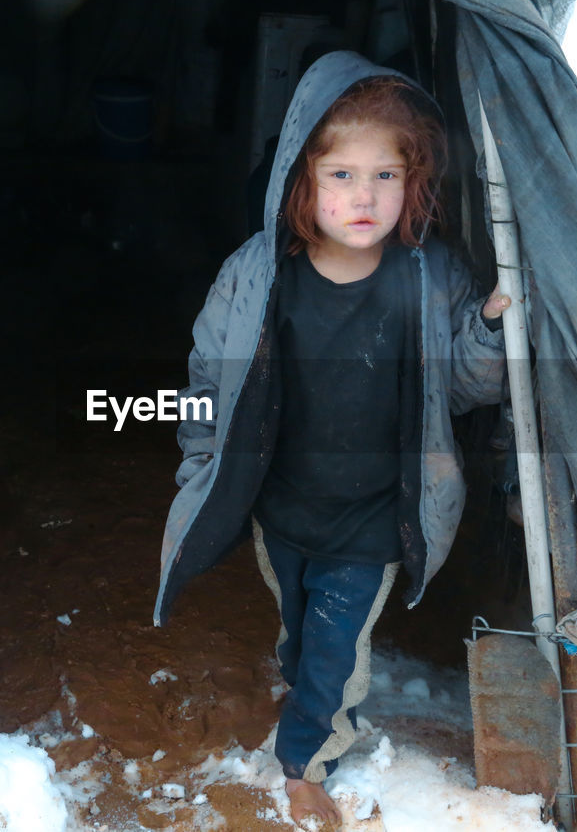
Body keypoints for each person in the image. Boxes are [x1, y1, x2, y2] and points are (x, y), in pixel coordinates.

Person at [153, 50, 510, 828]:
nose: (364, 196)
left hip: (375, 514)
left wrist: (488, 327)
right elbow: (209, 375)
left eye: (386, 175)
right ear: (300, 181)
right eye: (341, 175)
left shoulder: (428, 274)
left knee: (335, 644)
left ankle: (305, 759)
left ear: (414, 183)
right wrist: (201, 457)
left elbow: (466, 386)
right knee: (299, 626)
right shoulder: (257, 274)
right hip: (280, 506)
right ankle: (307, 690)